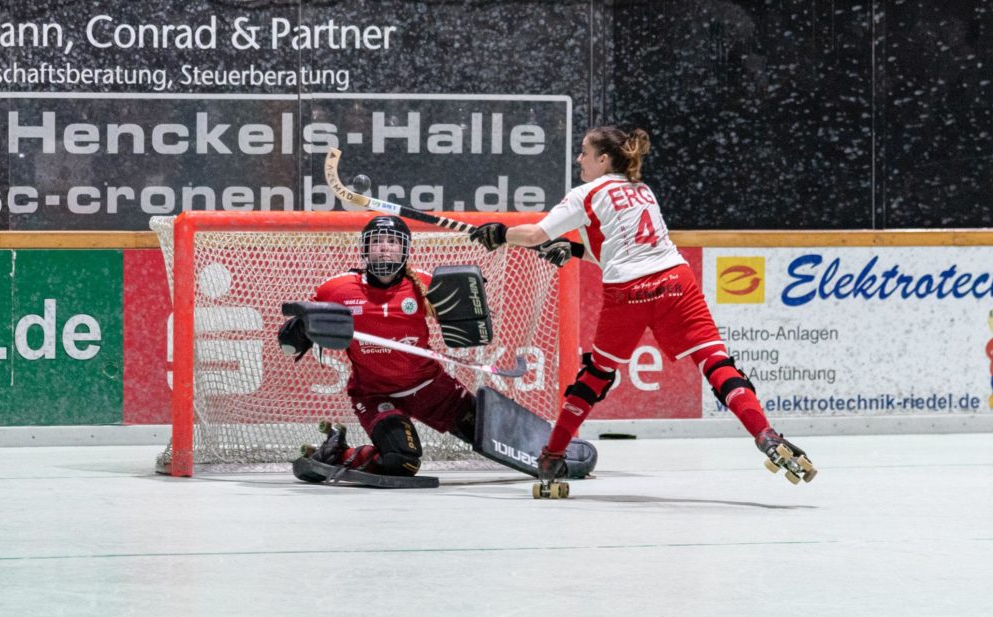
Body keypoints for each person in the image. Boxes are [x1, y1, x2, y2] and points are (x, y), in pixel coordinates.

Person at [469, 126, 817, 486]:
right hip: (676, 282)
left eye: (584, 153)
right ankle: (766, 434)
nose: (579, 159)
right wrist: (574, 251)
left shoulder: (585, 194)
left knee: (597, 375)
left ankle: (552, 457)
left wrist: (500, 234)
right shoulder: (643, 191)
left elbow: (536, 235)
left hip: (629, 293)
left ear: (603, 159)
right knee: (716, 363)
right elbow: (628, 250)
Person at [277, 215, 479, 477]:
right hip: (376, 394)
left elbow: (468, 326)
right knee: (401, 461)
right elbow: (288, 346)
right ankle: (337, 453)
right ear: (364, 248)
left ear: (405, 248)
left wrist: (472, 311)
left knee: (494, 431)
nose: (384, 247)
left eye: (393, 242)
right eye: (377, 242)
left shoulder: (424, 284)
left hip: (430, 386)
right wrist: (301, 329)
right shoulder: (337, 289)